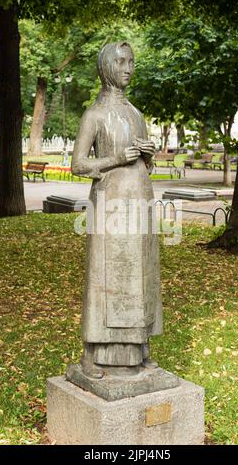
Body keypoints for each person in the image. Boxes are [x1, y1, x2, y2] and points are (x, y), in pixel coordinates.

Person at [71, 42, 162, 379]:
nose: (128, 68)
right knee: (105, 277)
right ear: (107, 66)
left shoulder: (136, 114)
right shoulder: (94, 114)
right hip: (109, 203)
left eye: (132, 62)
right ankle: (93, 355)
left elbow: (144, 164)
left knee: (139, 275)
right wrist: (116, 158)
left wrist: (147, 154)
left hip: (140, 199)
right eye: (121, 62)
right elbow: (78, 165)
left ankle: (138, 349)